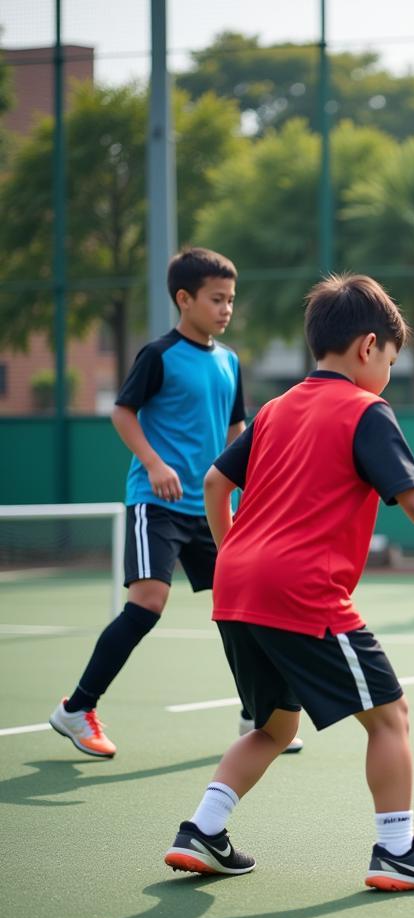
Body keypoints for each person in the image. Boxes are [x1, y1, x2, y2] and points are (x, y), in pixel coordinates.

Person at [163, 273, 414, 890]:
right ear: (368, 346)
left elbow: (215, 485)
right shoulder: (365, 409)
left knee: (274, 726)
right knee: (390, 716)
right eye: (391, 359)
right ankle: (398, 851)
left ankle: (202, 831)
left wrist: (235, 554)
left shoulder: (273, 410)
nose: (389, 372)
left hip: (237, 589)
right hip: (302, 591)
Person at [48, 248, 302, 756]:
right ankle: (77, 709)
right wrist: (155, 463)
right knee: (148, 603)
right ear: (184, 299)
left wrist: (249, 489)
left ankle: (254, 714)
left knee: (245, 604)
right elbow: (123, 413)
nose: (226, 308)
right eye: (216, 299)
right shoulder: (159, 355)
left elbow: (236, 434)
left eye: (231, 299)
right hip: (156, 504)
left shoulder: (229, 361)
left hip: (210, 510)